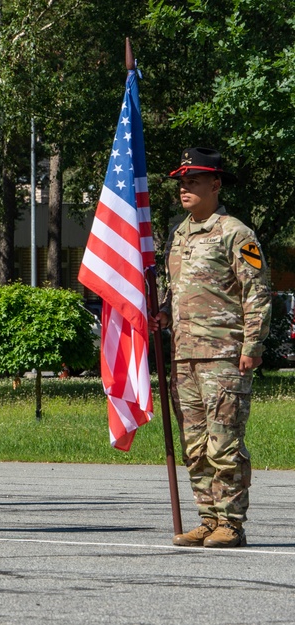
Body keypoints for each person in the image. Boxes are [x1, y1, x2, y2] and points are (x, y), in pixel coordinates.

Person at [157, 147, 271, 549]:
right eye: (182, 182)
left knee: (224, 443)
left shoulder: (237, 233)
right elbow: (176, 289)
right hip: (184, 355)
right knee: (195, 444)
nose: (184, 188)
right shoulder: (180, 232)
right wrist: (164, 314)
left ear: (216, 184)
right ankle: (207, 518)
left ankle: (231, 523)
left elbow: (257, 292)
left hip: (224, 354)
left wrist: (253, 345)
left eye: (193, 181)